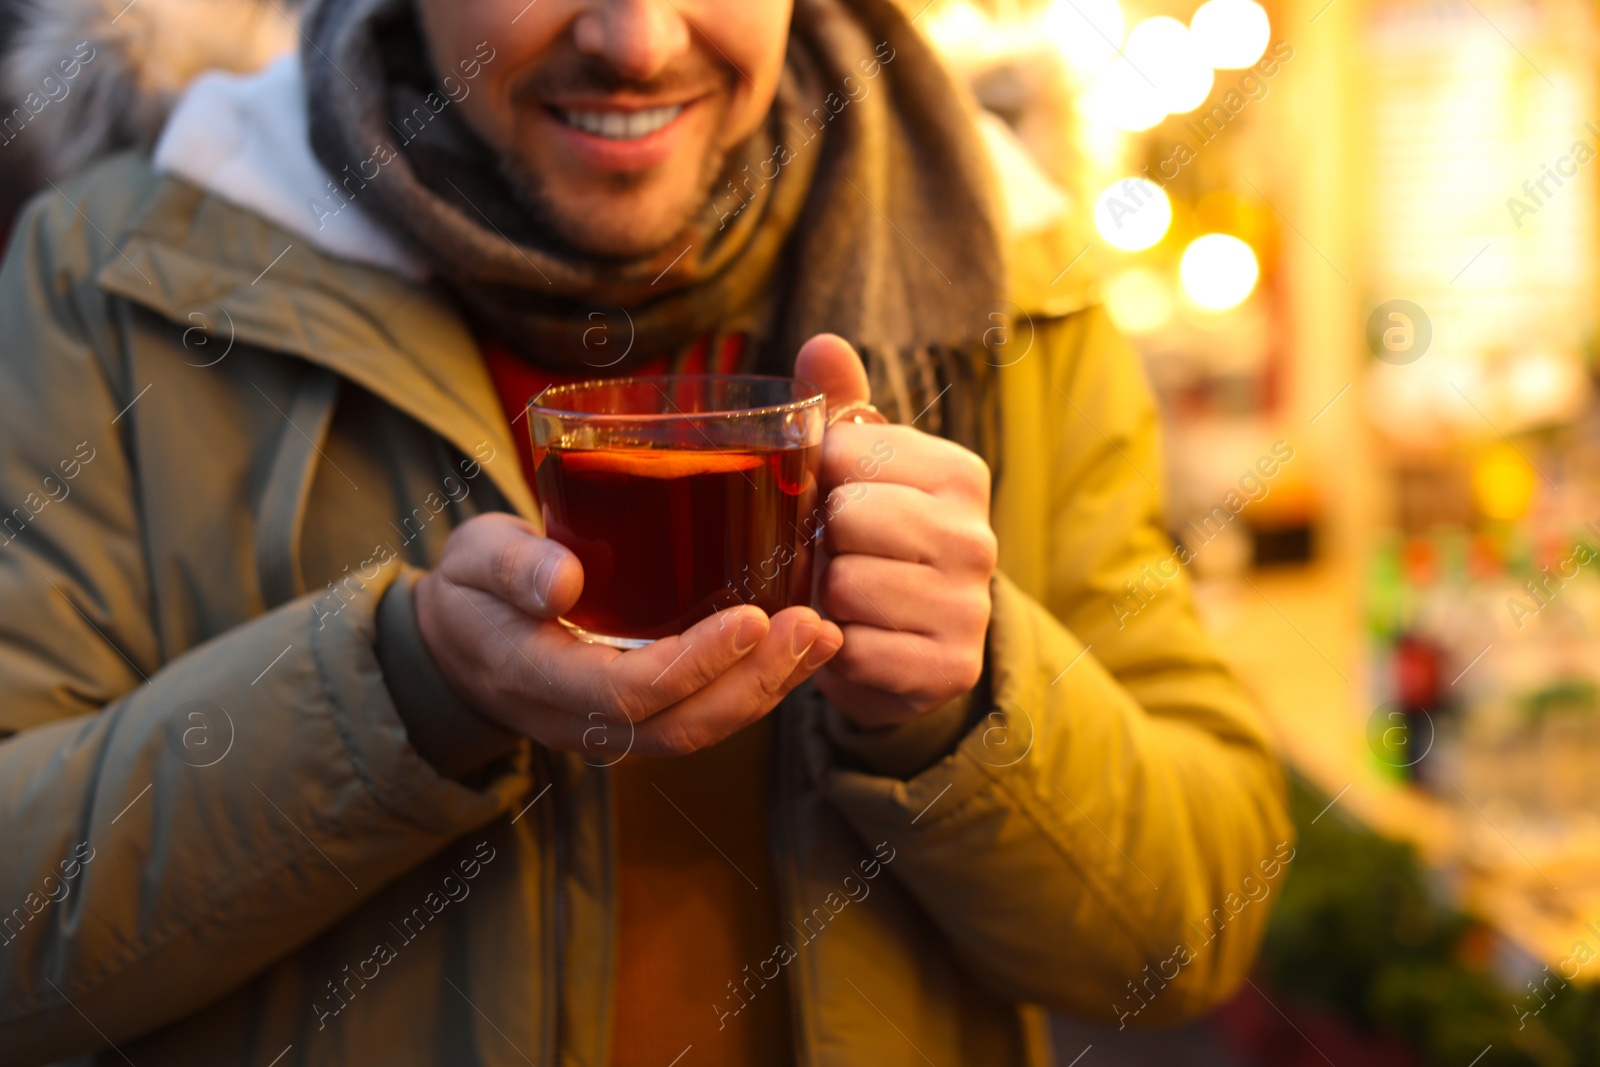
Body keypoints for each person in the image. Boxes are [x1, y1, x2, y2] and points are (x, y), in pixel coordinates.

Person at [0, 0, 1292, 1064]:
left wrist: (970, 703)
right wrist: (405, 688)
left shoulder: (1009, 285)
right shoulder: (121, 278)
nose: (637, 38)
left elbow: (1187, 936)